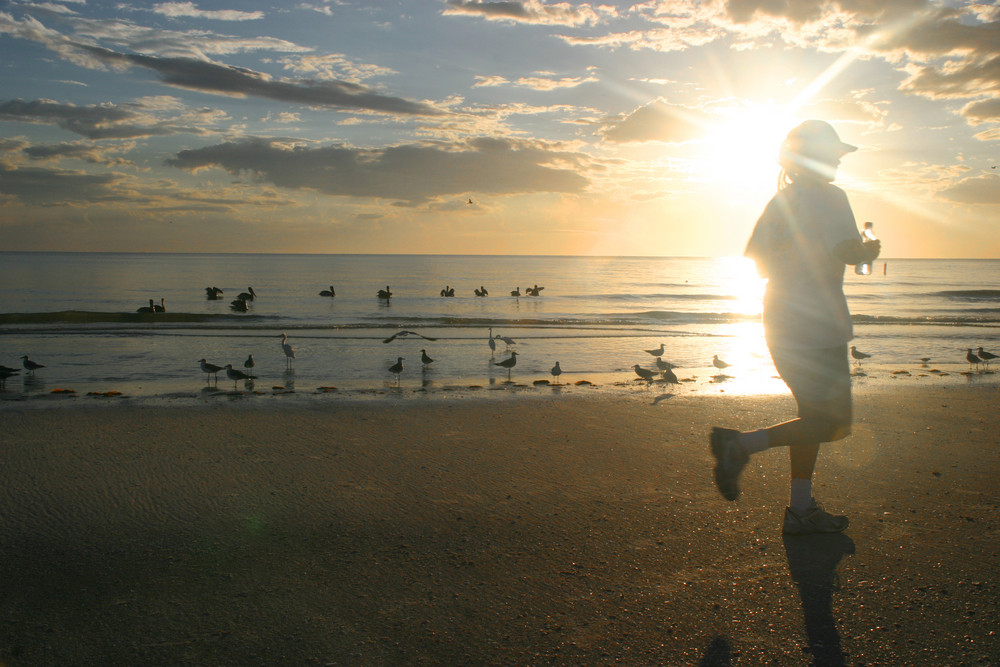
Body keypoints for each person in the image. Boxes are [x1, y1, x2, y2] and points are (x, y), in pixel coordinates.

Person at [709, 120, 881, 535]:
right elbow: (845, 251)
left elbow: (757, 260)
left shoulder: (781, 200)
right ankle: (739, 445)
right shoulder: (831, 196)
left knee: (812, 416)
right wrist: (865, 250)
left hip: (779, 319)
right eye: (834, 151)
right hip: (818, 323)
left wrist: (797, 262)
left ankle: (800, 510)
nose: (839, 158)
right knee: (834, 423)